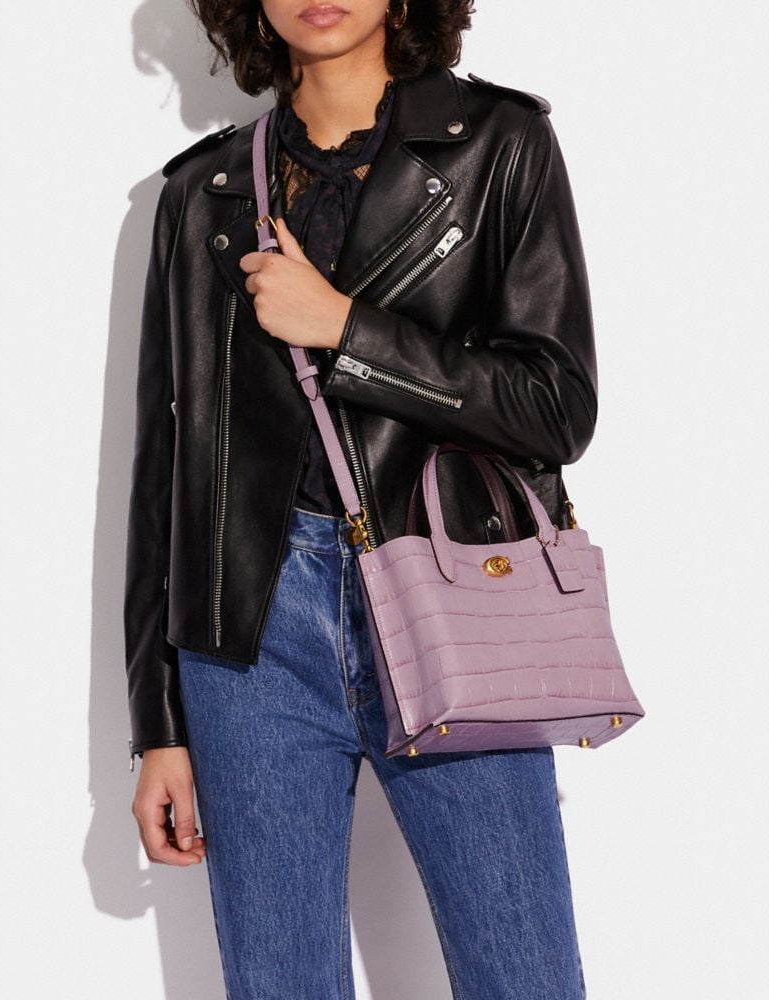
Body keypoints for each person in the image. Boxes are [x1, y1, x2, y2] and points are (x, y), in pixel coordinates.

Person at [124, 2, 599, 996]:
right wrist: (158, 722)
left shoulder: (498, 144)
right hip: (251, 638)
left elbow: (556, 407)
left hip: (454, 603)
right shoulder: (204, 192)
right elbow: (167, 465)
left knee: (524, 976)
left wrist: (346, 328)